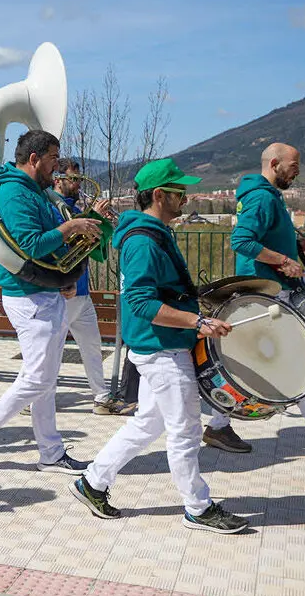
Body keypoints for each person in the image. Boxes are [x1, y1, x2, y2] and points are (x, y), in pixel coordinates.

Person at [71, 158, 249, 534]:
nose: (185, 197)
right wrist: (197, 322)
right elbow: (141, 302)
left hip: (162, 343)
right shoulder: (142, 241)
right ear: (158, 195)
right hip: (161, 348)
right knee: (185, 429)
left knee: (148, 423)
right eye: (178, 191)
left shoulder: (153, 233)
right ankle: (198, 508)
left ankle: (92, 482)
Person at [202, 143, 305, 453]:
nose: (298, 171)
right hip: (267, 292)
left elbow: (264, 237)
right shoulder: (262, 197)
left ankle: (218, 428)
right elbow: (242, 241)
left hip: (269, 290)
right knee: (294, 359)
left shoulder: (269, 196)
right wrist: (282, 260)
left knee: (283, 359)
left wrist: (297, 246)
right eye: (293, 165)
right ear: (274, 163)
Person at [0, 130, 100, 473]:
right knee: (38, 379)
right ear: (34, 159)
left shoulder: (37, 192)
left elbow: (48, 247)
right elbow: (32, 244)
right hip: (28, 296)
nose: (58, 165)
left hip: (44, 292)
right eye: (53, 158)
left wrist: (64, 277)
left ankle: (51, 453)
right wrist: (71, 229)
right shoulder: (14, 192)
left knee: (45, 380)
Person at [50, 159, 130, 415]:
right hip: (63, 291)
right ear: (57, 179)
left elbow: (92, 247)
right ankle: (38, 399)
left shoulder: (75, 207)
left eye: (79, 178)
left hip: (81, 291)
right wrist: (93, 216)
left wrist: (99, 220)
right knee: (51, 351)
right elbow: (64, 244)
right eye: (73, 179)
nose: (78, 184)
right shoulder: (54, 207)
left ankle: (101, 397)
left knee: (92, 345)